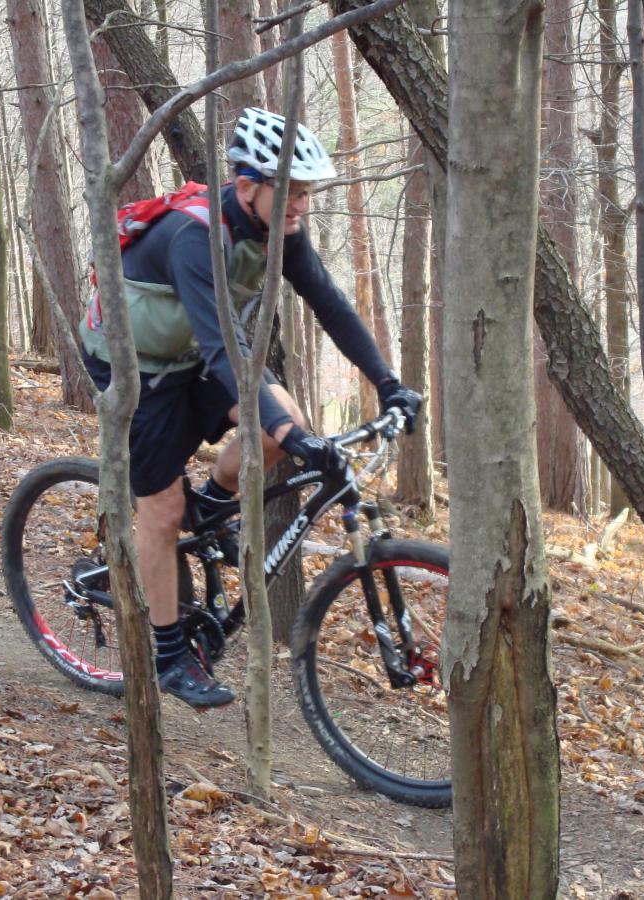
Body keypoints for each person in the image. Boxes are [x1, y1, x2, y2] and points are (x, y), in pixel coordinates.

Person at [79, 107, 422, 708]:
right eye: (291, 194)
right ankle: (167, 657)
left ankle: (208, 505)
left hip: (198, 351)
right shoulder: (196, 238)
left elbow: (332, 306)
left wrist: (388, 381)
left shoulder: (277, 228)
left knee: (276, 423)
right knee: (160, 510)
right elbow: (223, 353)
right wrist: (290, 433)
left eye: (308, 195)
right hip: (139, 367)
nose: (302, 208)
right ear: (246, 186)